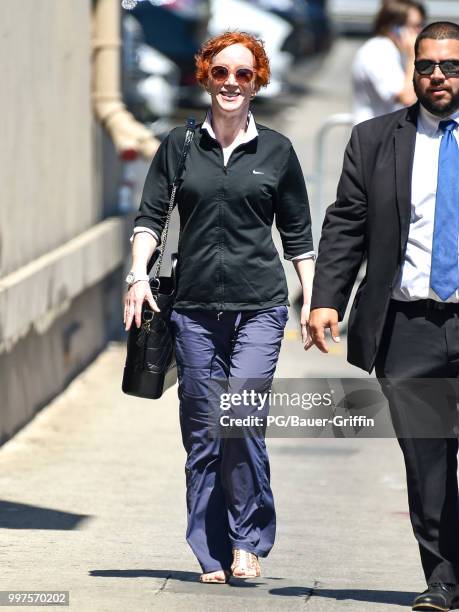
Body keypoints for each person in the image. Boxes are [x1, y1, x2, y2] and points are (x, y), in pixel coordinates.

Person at [124, 32, 314, 584]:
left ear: (258, 82)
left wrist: (314, 300)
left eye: (244, 75)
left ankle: (248, 540)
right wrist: (138, 275)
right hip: (195, 309)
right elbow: (150, 217)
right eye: (222, 72)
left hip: (260, 306)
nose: (232, 83)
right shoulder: (180, 146)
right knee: (204, 428)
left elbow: (298, 234)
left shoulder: (277, 150)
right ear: (205, 76)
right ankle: (211, 551)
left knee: (241, 422)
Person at [308, 21, 459, 612]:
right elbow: (347, 223)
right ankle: (444, 581)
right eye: (427, 66)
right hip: (408, 326)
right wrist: (326, 299)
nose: (438, 76)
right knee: (428, 463)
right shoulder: (375, 140)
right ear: (413, 70)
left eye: (450, 65)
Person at [352, 0, 426, 124]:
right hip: (375, 137)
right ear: (394, 28)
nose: (420, 32)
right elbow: (407, 98)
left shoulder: (398, 50)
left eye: (421, 25)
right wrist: (413, 58)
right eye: (414, 26)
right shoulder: (377, 51)